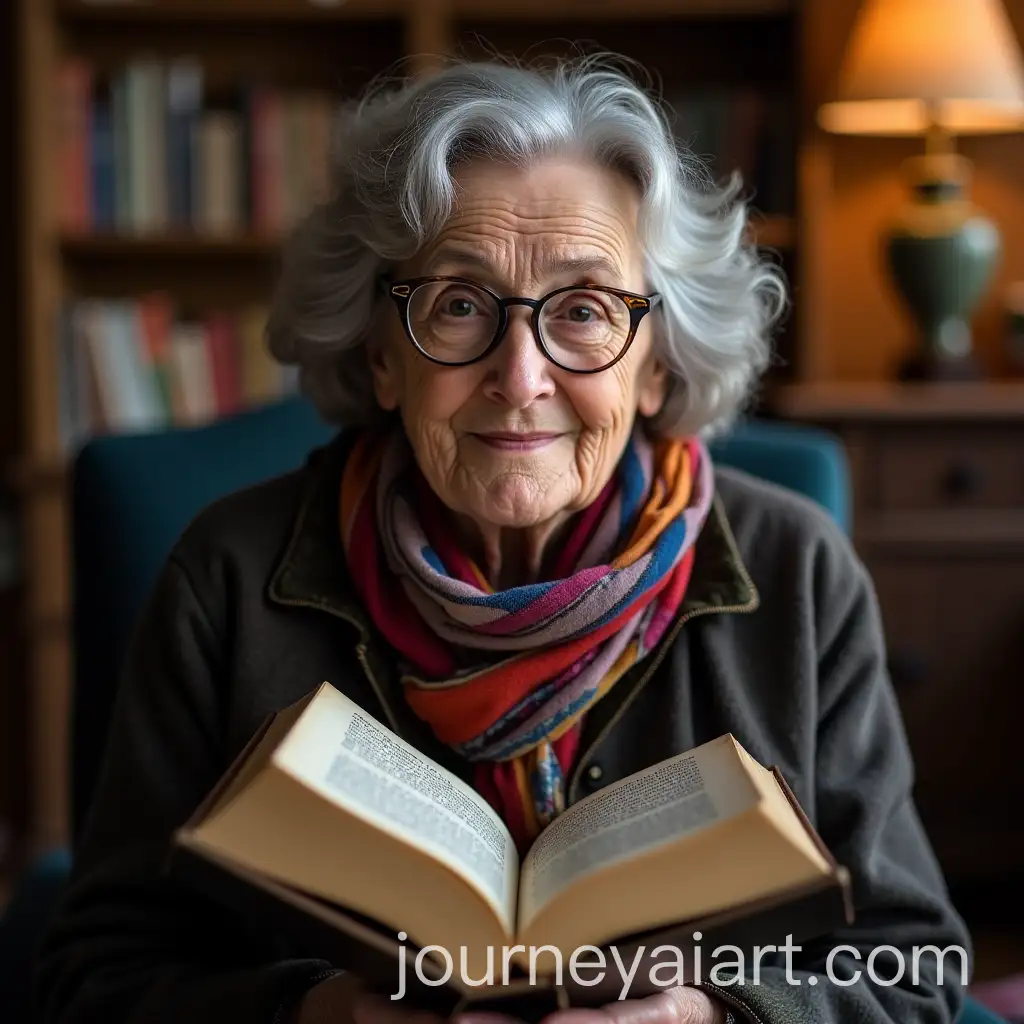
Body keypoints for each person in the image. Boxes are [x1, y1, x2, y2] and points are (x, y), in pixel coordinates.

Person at [36, 56, 971, 1024]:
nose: (518, 375)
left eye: (582, 310)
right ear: (380, 355)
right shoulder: (227, 574)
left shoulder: (797, 568)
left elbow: (912, 969)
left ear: (656, 367)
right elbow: (93, 975)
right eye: (457, 304)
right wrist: (317, 1016)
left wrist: (708, 1015)